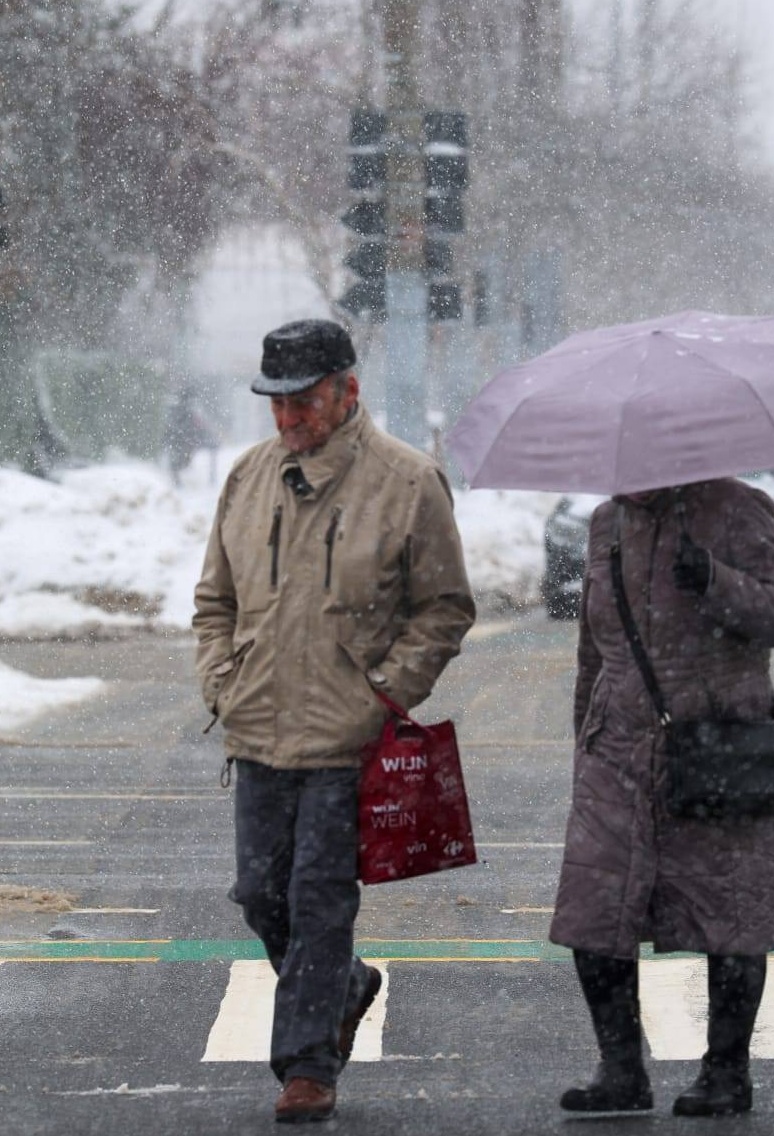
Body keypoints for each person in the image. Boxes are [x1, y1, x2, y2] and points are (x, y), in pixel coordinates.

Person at [193, 319, 475, 1123]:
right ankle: (345, 987)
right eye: (276, 405)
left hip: (348, 736)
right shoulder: (249, 478)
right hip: (256, 729)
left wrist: (385, 694)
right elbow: (214, 599)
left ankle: (307, 1065)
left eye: (304, 402)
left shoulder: (407, 482)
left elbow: (445, 607)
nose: (288, 420)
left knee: (320, 898)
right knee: (259, 894)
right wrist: (220, 681)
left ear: (347, 391)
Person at [550, 477, 774, 1118]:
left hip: (716, 743)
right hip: (618, 752)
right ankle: (621, 1072)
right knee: (596, 912)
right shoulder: (605, 523)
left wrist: (716, 580)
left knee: (733, 914)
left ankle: (727, 1073)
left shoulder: (738, 508)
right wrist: (587, 732)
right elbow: (595, 646)